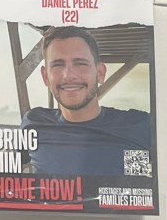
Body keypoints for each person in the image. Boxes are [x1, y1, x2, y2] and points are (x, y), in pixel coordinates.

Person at [20, 26, 151, 176]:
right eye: (58, 65)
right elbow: (2, 169)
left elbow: (140, 183)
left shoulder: (139, 126)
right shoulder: (34, 123)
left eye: (80, 63)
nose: (68, 75)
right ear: (45, 76)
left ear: (100, 73)